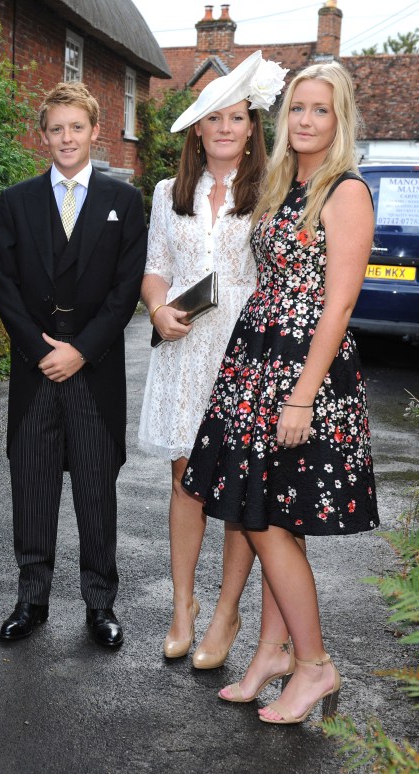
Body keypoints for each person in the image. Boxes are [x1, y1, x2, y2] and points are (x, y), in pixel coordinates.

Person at [183, 60, 379, 724]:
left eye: (320, 110)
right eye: (297, 107)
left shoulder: (344, 191)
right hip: (256, 360)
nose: (305, 120)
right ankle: (271, 652)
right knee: (270, 512)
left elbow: (340, 302)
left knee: (262, 520)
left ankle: (315, 664)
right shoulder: (282, 183)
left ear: (339, 119)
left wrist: (299, 396)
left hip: (303, 374)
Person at [138, 52, 286, 667]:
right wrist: (156, 310)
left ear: (251, 126)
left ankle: (227, 611)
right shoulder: (169, 193)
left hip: (245, 353)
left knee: (237, 488)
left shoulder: (272, 192)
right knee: (185, 480)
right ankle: (182, 605)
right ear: (197, 129)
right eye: (212, 119)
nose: (224, 128)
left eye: (236, 117)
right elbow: (156, 270)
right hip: (185, 348)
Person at [0, 82, 146, 648]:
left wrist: (81, 351)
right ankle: (31, 599)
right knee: (31, 488)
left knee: (96, 494)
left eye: (76, 127)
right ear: (43, 135)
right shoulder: (16, 202)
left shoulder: (123, 202)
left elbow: (126, 290)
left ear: (95, 131)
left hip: (95, 372)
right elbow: (2, 287)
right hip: (35, 373)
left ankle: (100, 603)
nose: (66, 137)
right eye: (55, 128)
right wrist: (41, 349)